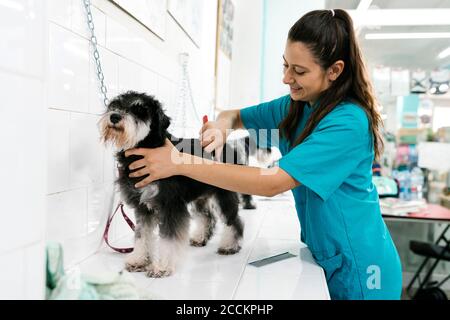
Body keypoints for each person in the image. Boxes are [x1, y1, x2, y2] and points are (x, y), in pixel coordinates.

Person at [125, 9, 402, 300]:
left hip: (363, 269)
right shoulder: (297, 105)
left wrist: (179, 162)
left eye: (299, 71)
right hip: (326, 254)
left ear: (334, 71)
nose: (286, 78)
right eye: (285, 66)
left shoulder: (348, 123)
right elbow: (233, 116)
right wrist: (221, 128)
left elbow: (271, 183)